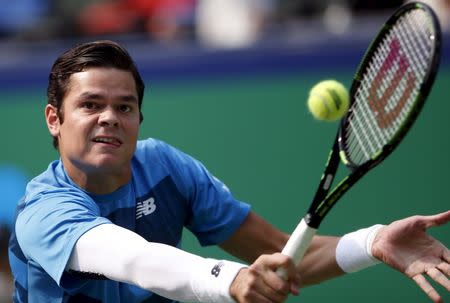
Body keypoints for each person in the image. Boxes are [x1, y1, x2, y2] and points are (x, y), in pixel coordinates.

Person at [8, 40, 450, 303]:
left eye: (124, 107)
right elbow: (133, 259)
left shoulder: (164, 166)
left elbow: (285, 255)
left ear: (139, 119)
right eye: (90, 105)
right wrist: (231, 279)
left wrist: (372, 241)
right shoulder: (44, 210)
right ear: (54, 119)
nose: (109, 117)